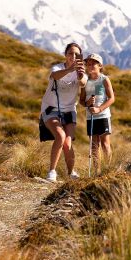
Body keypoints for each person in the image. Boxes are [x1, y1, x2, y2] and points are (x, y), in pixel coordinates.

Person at [41, 43, 88, 182]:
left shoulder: (80, 72)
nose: (73, 56)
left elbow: (83, 83)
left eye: (76, 54)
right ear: (65, 54)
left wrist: (79, 74)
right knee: (60, 136)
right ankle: (52, 172)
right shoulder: (58, 68)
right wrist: (70, 70)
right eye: (70, 53)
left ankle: (71, 172)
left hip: (69, 110)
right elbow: (54, 76)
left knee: (68, 143)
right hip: (51, 108)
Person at [80, 53, 116, 170]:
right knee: (94, 145)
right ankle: (96, 171)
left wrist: (99, 109)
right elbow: (81, 101)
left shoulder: (104, 79)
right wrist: (88, 103)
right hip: (90, 117)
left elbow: (111, 98)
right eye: (88, 64)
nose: (90, 66)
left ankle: (108, 169)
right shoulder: (85, 81)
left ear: (100, 65)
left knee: (105, 143)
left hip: (103, 116)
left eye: (93, 64)